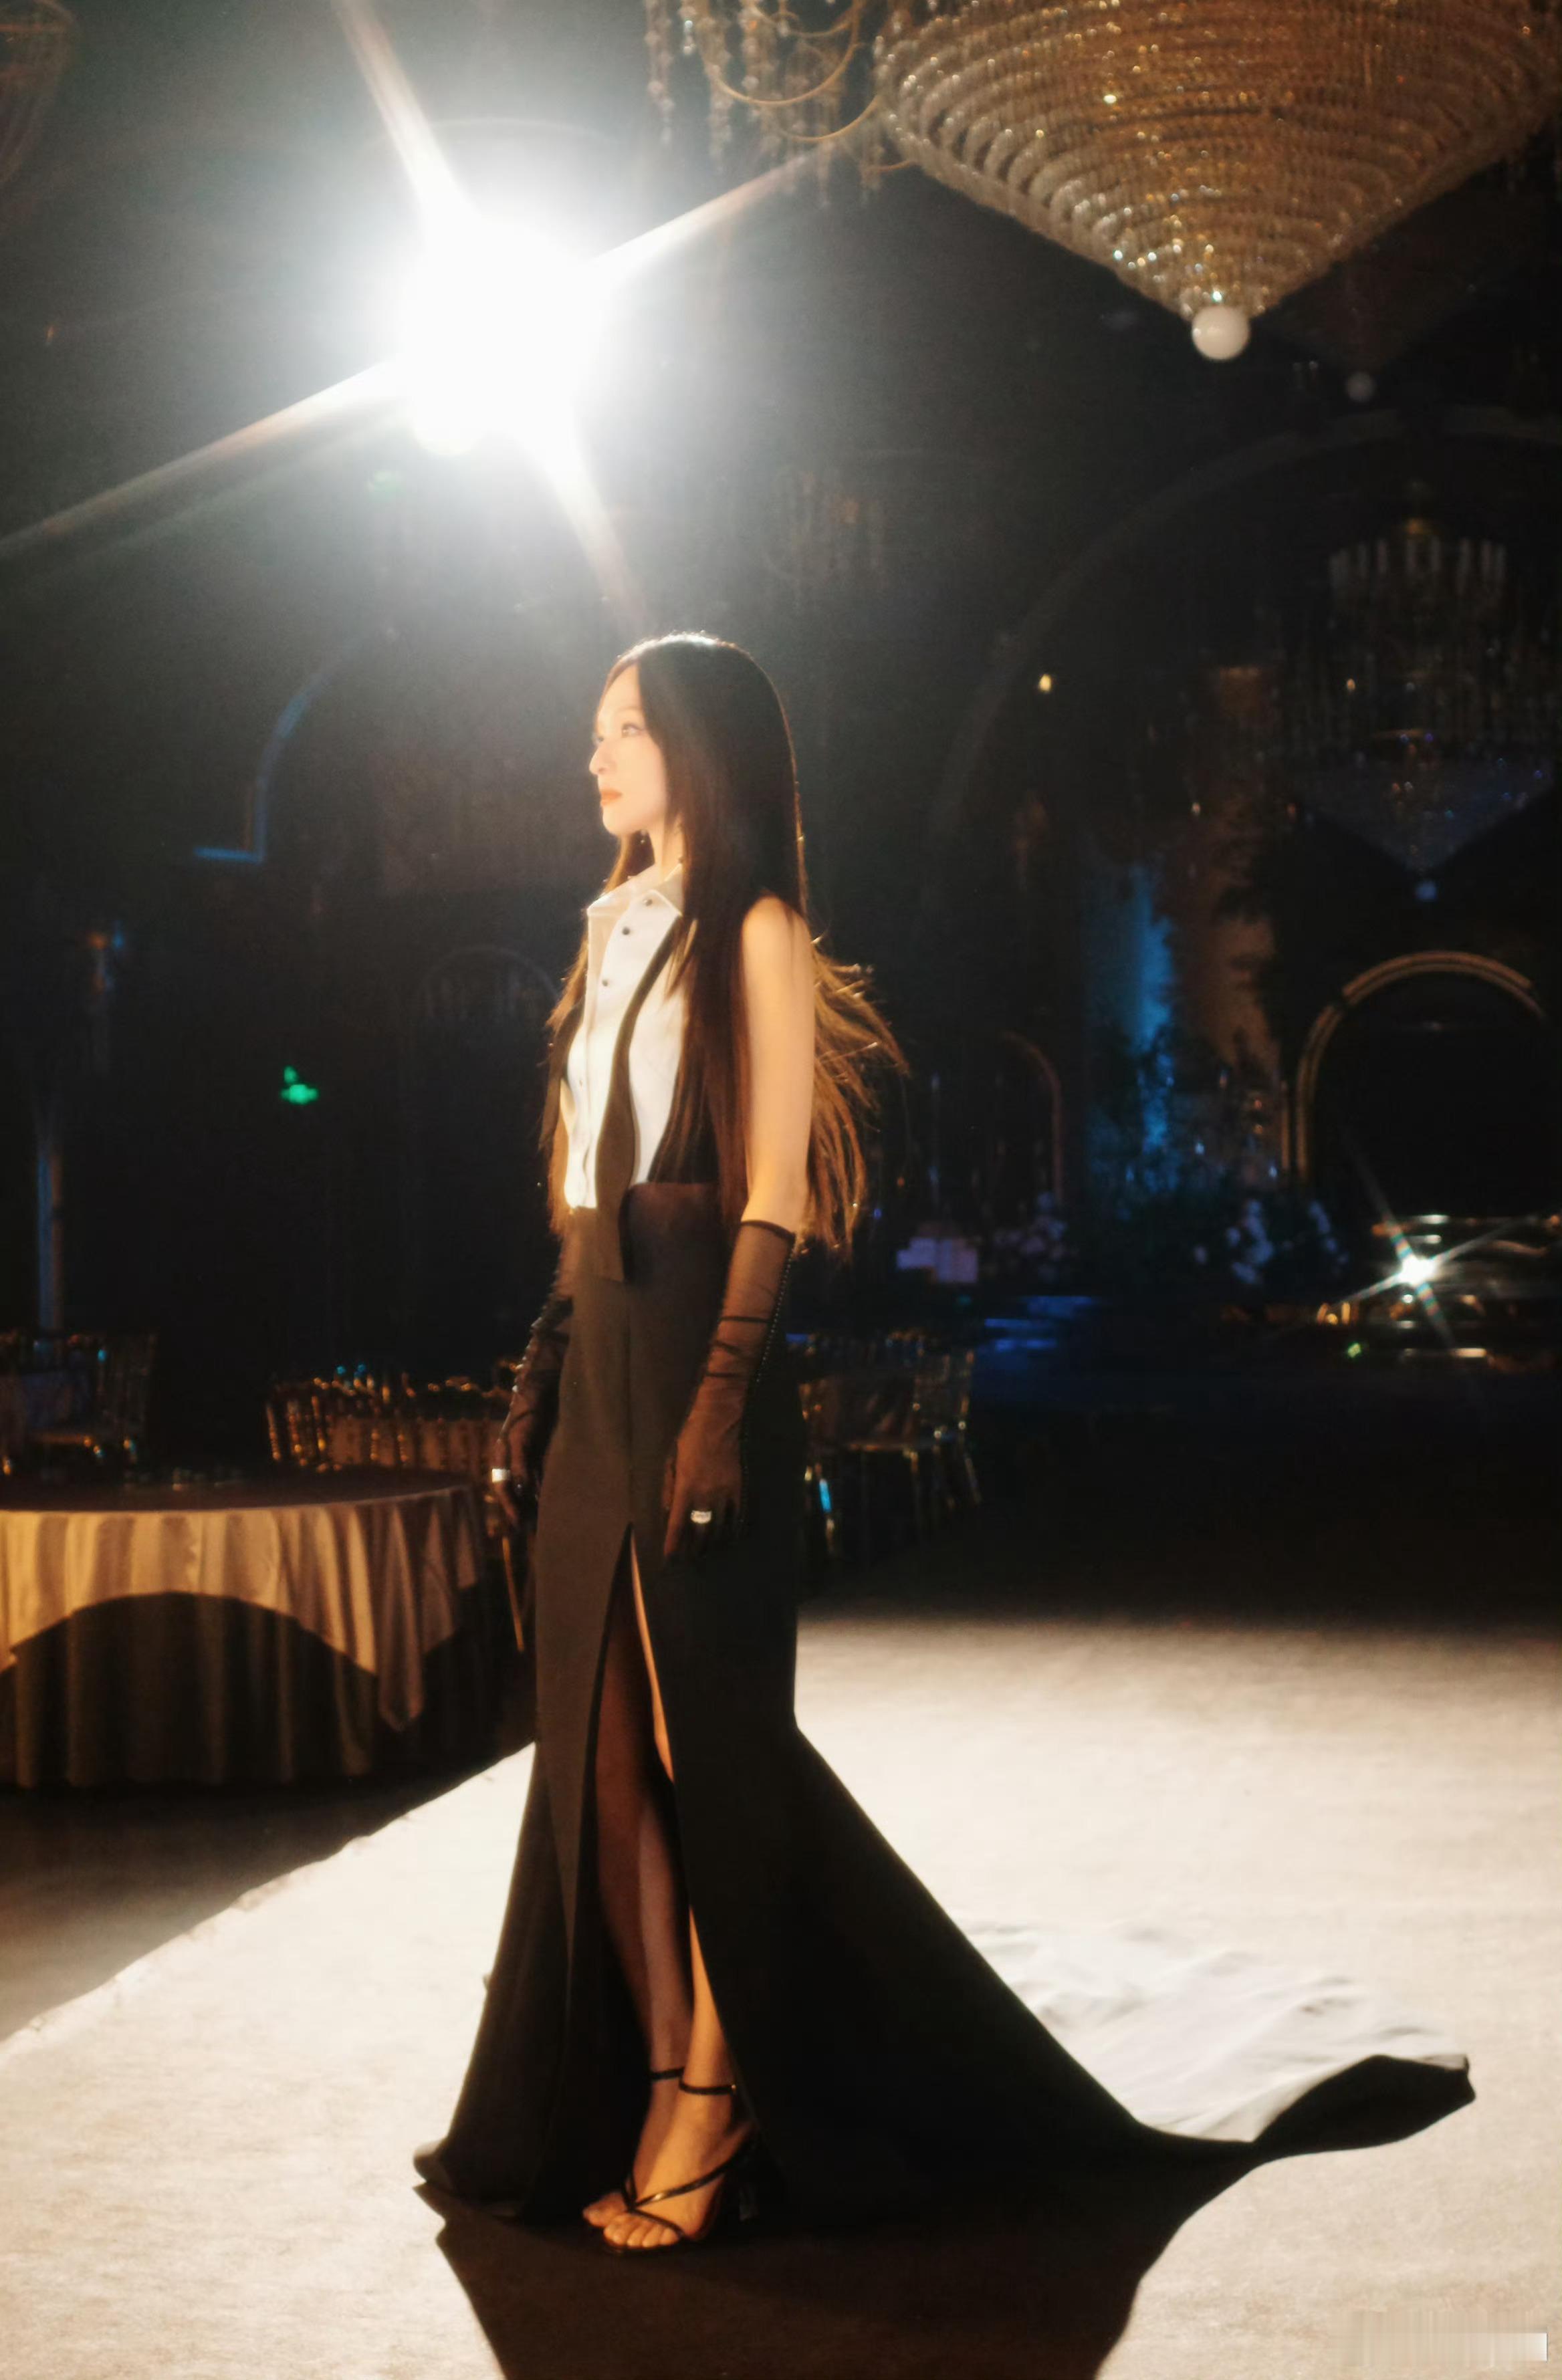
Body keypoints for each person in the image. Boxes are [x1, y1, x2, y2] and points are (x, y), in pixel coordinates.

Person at [415, 632, 1472, 2257]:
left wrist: (718, 1404)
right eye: (597, 731)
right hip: (600, 1349)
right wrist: (539, 1379)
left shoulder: (753, 931)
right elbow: (580, 1188)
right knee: (597, 1757)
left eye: (622, 729)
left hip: (699, 1351)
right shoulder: (603, 929)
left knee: (710, 1749)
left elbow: (774, 1193)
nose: (594, 758)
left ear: (699, 748)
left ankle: (717, 2096)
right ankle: (665, 2068)